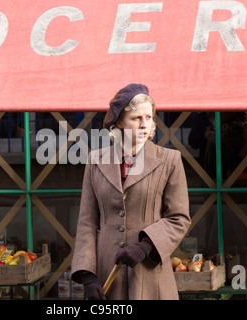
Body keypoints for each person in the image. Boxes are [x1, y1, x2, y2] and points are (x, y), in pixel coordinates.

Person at [71, 83, 191, 300]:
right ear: (118, 122)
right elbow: (87, 222)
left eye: (149, 117)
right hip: (108, 274)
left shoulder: (170, 160)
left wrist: (147, 246)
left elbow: (179, 218)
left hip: (151, 274)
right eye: (136, 118)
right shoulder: (95, 161)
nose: (145, 124)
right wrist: (88, 275)